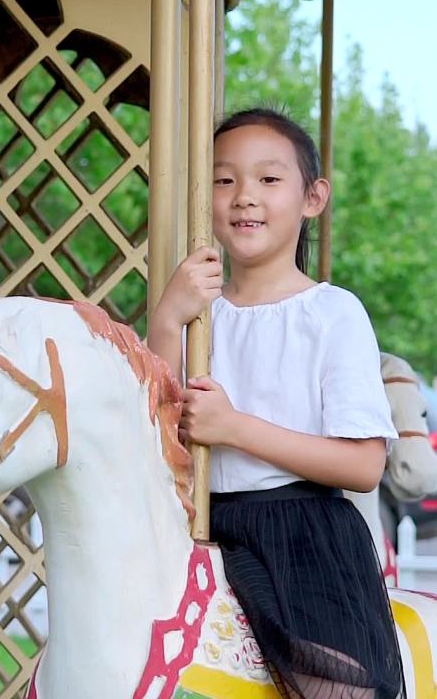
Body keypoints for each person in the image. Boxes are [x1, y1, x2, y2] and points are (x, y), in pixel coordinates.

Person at [148, 108, 405, 699]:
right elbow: (157, 426)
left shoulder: (331, 313)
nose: (244, 197)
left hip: (303, 533)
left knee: (339, 689)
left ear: (313, 197)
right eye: (223, 179)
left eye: (268, 180)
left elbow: (364, 466)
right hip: (200, 524)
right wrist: (166, 317)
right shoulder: (199, 314)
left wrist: (235, 427)